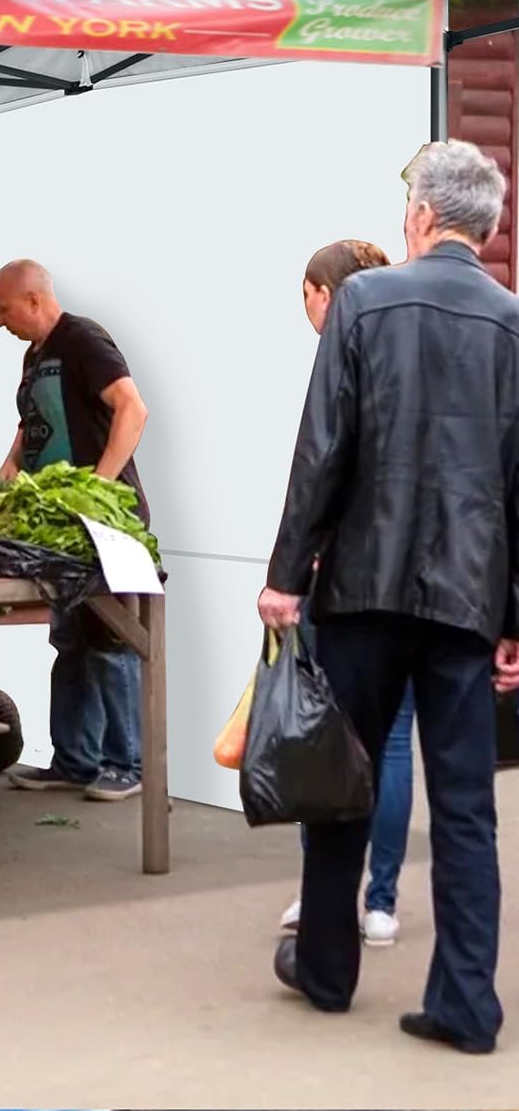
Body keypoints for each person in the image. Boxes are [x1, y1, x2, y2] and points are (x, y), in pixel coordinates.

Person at [260, 142, 519, 1055]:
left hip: (362, 590)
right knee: (466, 808)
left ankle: (327, 973)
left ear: (421, 216)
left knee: (345, 784)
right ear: (485, 228)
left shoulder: (364, 303)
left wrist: (286, 576)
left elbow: (322, 449)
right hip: (467, 599)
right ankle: (466, 1007)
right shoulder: (514, 324)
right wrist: (514, 618)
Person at [278, 239, 413, 949]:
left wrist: (288, 574)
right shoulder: (413, 345)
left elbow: (319, 465)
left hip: (348, 574)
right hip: (421, 574)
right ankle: (381, 903)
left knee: (327, 734)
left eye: (303, 297)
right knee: (392, 743)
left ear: (324, 294)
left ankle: (322, 894)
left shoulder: (343, 351)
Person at [0, 260, 151, 802]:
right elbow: (29, 427)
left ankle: (127, 764)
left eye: (4, 309)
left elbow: (133, 409)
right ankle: (75, 761)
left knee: (111, 638)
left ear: (34, 300)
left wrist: (97, 489)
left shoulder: (83, 340)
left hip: (105, 523)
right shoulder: (34, 357)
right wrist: (5, 477)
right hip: (58, 526)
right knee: (70, 640)